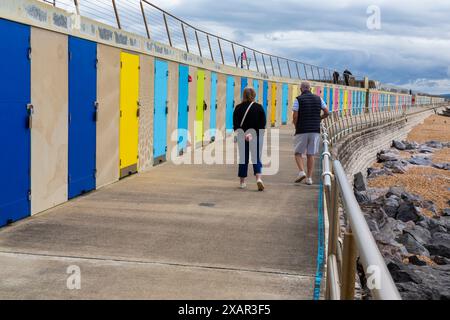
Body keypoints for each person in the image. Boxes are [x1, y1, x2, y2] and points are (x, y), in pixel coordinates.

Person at [292, 82, 330, 185]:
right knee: (311, 154)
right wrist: (319, 119)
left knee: (298, 153)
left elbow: (295, 116)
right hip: (315, 130)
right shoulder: (319, 99)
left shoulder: (298, 99)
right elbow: (327, 112)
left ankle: (301, 172)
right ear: (310, 89)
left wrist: (296, 126)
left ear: (301, 89)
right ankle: (309, 178)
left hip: (302, 130)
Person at [233, 87, 266, 191]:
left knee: (243, 158)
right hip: (255, 136)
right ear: (254, 95)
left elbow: (236, 124)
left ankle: (242, 182)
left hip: (242, 137)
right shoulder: (259, 107)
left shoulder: (238, 108)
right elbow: (262, 124)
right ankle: (258, 179)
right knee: (256, 158)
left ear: (243, 95)